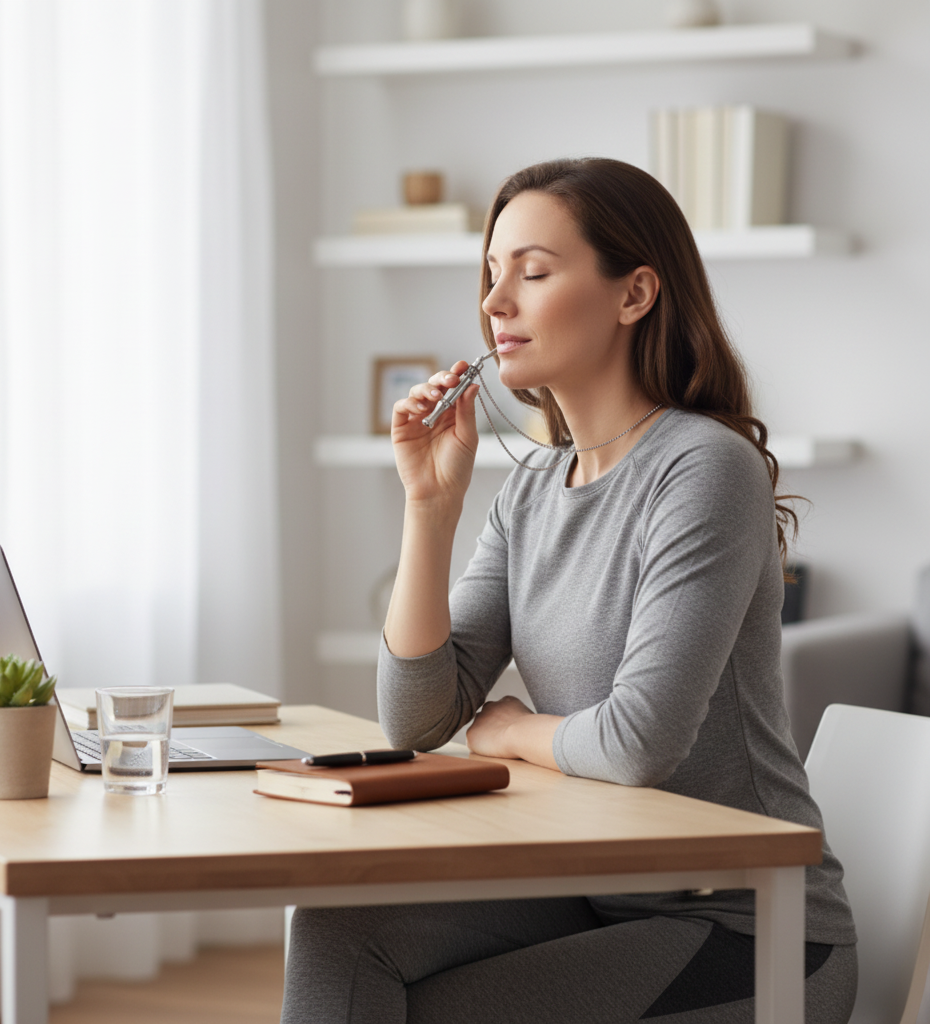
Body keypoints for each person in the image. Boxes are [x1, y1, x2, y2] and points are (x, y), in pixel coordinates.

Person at [280, 157, 857, 1024]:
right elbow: (419, 716)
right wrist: (429, 508)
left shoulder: (704, 470)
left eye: (534, 271)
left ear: (634, 295)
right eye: (491, 272)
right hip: (607, 892)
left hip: (750, 928)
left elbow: (637, 744)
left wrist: (514, 730)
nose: (495, 301)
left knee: (443, 1010)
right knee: (337, 932)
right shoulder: (533, 487)